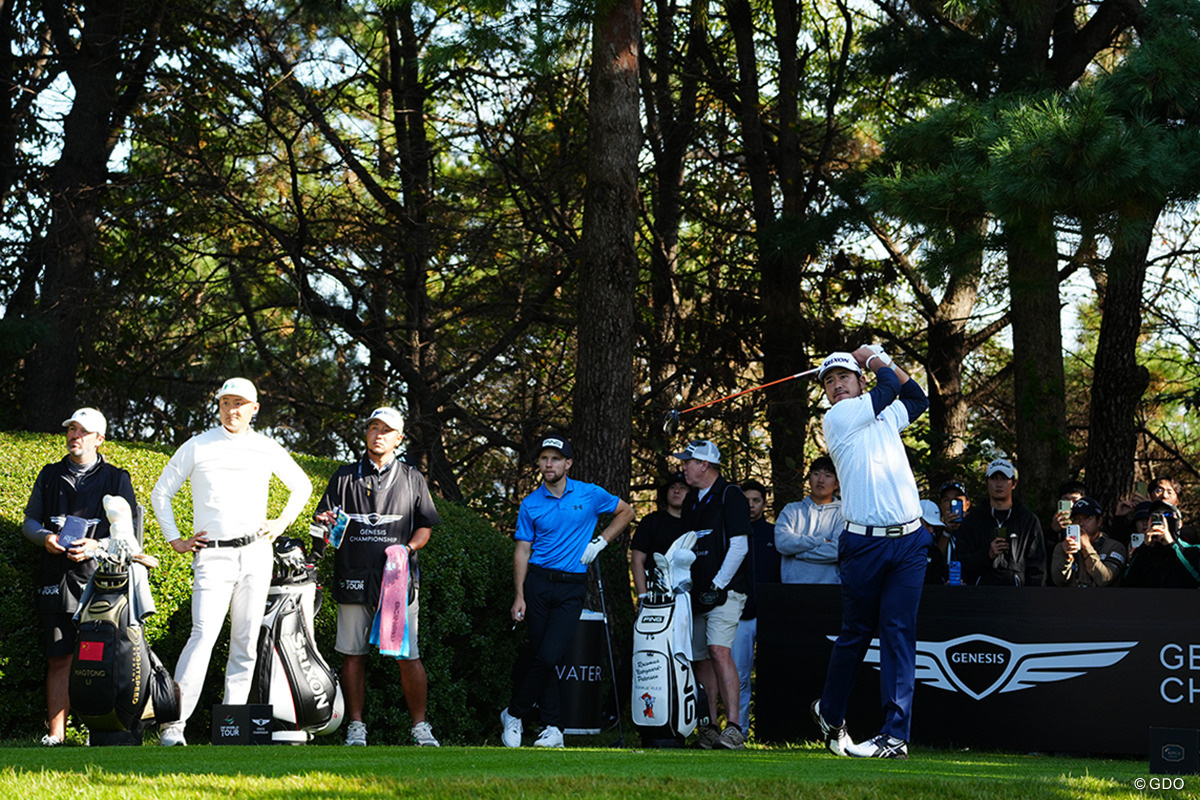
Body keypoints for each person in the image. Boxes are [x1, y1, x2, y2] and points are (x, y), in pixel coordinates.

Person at [151, 378, 312, 746]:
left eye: (240, 403)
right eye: (226, 402)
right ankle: (174, 726)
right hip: (212, 555)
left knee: (245, 641)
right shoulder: (197, 446)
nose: (232, 409)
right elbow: (162, 492)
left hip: (256, 552)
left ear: (254, 409)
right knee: (203, 634)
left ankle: (231, 728)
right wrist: (175, 538)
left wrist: (280, 522)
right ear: (219, 406)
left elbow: (302, 486)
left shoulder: (265, 447)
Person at [809, 346, 931, 760]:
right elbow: (892, 386)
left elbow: (917, 398)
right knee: (856, 634)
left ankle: (894, 737)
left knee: (898, 635)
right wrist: (875, 357)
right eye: (829, 381)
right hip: (864, 543)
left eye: (845, 376)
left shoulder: (883, 416)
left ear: (860, 381)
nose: (837, 385)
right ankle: (830, 711)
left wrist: (879, 358)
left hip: (911, 541)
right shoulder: (839, 417)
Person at [310, 407, 441, 747]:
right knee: (352, 654)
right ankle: (356, 727)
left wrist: (407, 550)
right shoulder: (343, 476)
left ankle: (419, 727)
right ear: (366, 433)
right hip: (353, 578)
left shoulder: (413, 478)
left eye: (386, 429)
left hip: (399, 582)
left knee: (407, 656)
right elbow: (324, 527)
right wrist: (324, 528)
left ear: (399, 438)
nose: (378, 434)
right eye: (373, 427)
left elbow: (425, 526)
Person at [500, 435, 634, 749]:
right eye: (544, 459)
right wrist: (518, 594)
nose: (549, 464)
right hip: (537, 583)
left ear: (568, 464)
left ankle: (514, 713)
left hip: (572, 585)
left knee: (549, 654)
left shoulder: (589, 494)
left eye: (555, 459)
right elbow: (522, 550)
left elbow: (626, 512)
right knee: (543, 655)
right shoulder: (531, 503)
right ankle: (553, 728)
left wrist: (600, 542)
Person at [23, 408, 137, 746]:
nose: (75, 436)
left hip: (101, 580)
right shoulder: (49, 474)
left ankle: (100, 731)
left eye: (83, 431)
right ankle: (56, 734)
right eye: (72, 429)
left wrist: (96, 545)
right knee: (60, 657)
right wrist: (45, 538)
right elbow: (30, 522)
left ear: (99, 439)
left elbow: (130, 535)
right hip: (55, 577)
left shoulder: (117, 478)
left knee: (100, 657)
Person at [674, 439, 752, 750]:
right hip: (695, 592)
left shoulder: (730, 495)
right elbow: (687, 548)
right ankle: (709, 727)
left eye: (688, 462)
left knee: (719, 651)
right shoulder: (693, 500)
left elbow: (740, 546)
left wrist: (717, 585)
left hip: (726, 590)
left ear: (704, 464)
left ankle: (734, 728)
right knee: (700, 659)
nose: (683, 467)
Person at [731, 478, 780, 737]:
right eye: (745, 500)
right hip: (740, 615)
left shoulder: (775, 534)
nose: (750, 505)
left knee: (773, 673)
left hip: (771, 614)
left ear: (764, 503)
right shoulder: (728, 533)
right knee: (738, 674)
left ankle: (772, 730)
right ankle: (738, 730)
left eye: (756, 500)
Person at [956, 458, 1046, 587]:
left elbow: (1037, 567)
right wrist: (987, 555)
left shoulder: (1028, 520)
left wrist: (1032, 600)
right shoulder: (972, 521)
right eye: (994, 478)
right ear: (987, 482)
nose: (999, 484)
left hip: (1018, 597)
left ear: (1014, 483)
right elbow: (962, 561)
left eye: (1004, 479)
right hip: (980, 596)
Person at [774, 456, 843, 584]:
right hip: (793, 588)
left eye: (828, 476)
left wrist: (799, 553)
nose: (821, 480)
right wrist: (821, 541)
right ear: (809, 479)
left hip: (829, 589)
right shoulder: (792, 510)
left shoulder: (843, 514)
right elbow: (782, 542)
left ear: (837, 483)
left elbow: (838, 550)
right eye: (816, 474)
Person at [630, 472, 688, 604]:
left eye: (682, 488)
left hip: (690, 596)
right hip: (656, 595)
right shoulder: (651, 521)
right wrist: (643, 595)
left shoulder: (696, 524)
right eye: (673, 487)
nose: (677, 491)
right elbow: (636, 560)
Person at [1049, 497, 1126, 587]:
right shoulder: (1063, 547)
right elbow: (1057, 581)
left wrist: (1087, 548)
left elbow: (1104, 579)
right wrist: (1067, 558)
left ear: (1099, 521)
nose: (1081, 523)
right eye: (1076, 519)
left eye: (1086, 518)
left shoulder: (1114, 547)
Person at [1123, 501, 1200, 588]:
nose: (1163, 519)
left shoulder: (1194, 550)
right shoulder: (1143, 552)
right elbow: (1128, 584)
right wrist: (1145, 547)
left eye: (1168, 514)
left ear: (1180, 524)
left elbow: (1195, 582)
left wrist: (1171, 544)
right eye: (1156, 516)